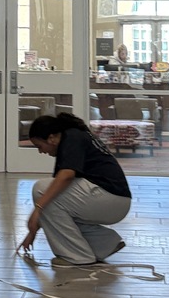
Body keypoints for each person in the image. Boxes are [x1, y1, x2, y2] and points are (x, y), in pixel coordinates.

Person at [20, 113, 132, 267]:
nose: (41, 151)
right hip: (114, 200)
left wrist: (37, 210)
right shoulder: (72, 138)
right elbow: (53, 210)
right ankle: (105, 243)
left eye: (40, 146)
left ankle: (76, 257)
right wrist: (32, 231)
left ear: (51, 138)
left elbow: (66, 177)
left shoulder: (72, 138)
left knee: (41, 189)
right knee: (53, 200)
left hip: (110, 198)